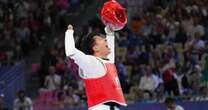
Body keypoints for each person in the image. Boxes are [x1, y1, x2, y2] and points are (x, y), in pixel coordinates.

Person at [65, 24, 127, 110]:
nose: (105, 39)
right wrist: (69, 32)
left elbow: (111, 50)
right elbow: (71, 51)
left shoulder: (108, 62)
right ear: (95, 47)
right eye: (101, 39)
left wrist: (109, 32)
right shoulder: (91, 63)